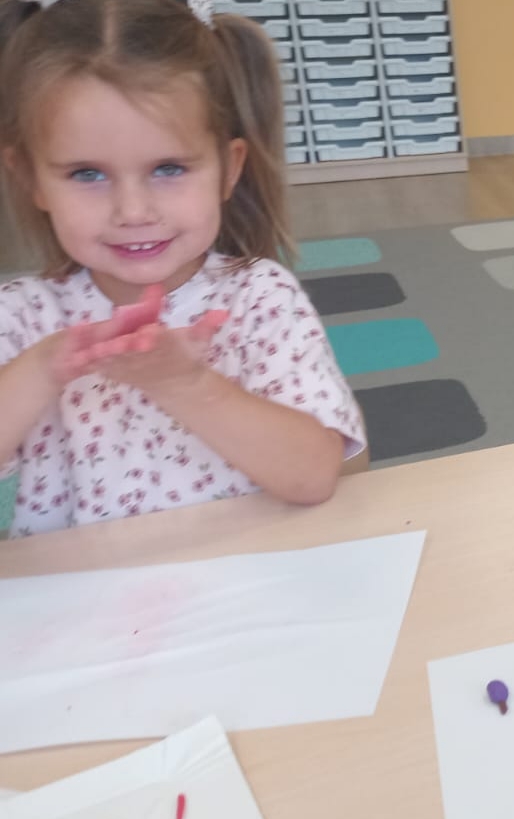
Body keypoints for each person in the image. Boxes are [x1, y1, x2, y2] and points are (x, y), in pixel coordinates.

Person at [0, 0, 365, 538]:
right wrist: (44, 366)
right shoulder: (22, 315)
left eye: (168, 168)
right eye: (87, 174)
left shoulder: (259, 298)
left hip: (243, 573)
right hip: (84, 586)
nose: (133, 211)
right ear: (30, 177)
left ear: (229, 168)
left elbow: (313, 476)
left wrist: (187, 383)